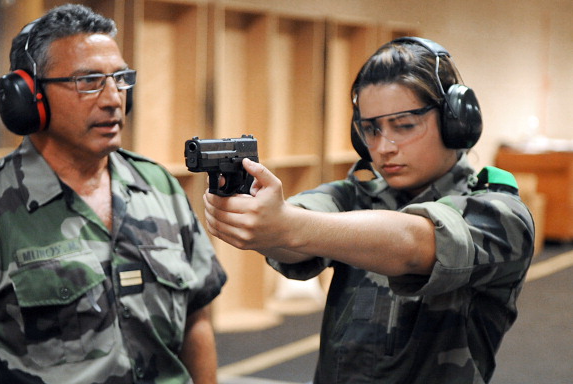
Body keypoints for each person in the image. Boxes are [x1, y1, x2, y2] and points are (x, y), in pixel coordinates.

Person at [204, 37, 535, 383]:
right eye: (370, 129)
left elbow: (415, 245)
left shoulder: (498, 212)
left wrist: (289, 225)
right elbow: (295, 234)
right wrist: (261, 223)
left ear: (456, 122)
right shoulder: (355, 196)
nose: (383, 147)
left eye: (404, 125)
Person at [0, 4, 226, 384]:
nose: (114, 99)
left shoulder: (159, 185)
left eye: (120, 79)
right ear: (28, 98)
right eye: (89, 81)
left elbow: (197, 318)